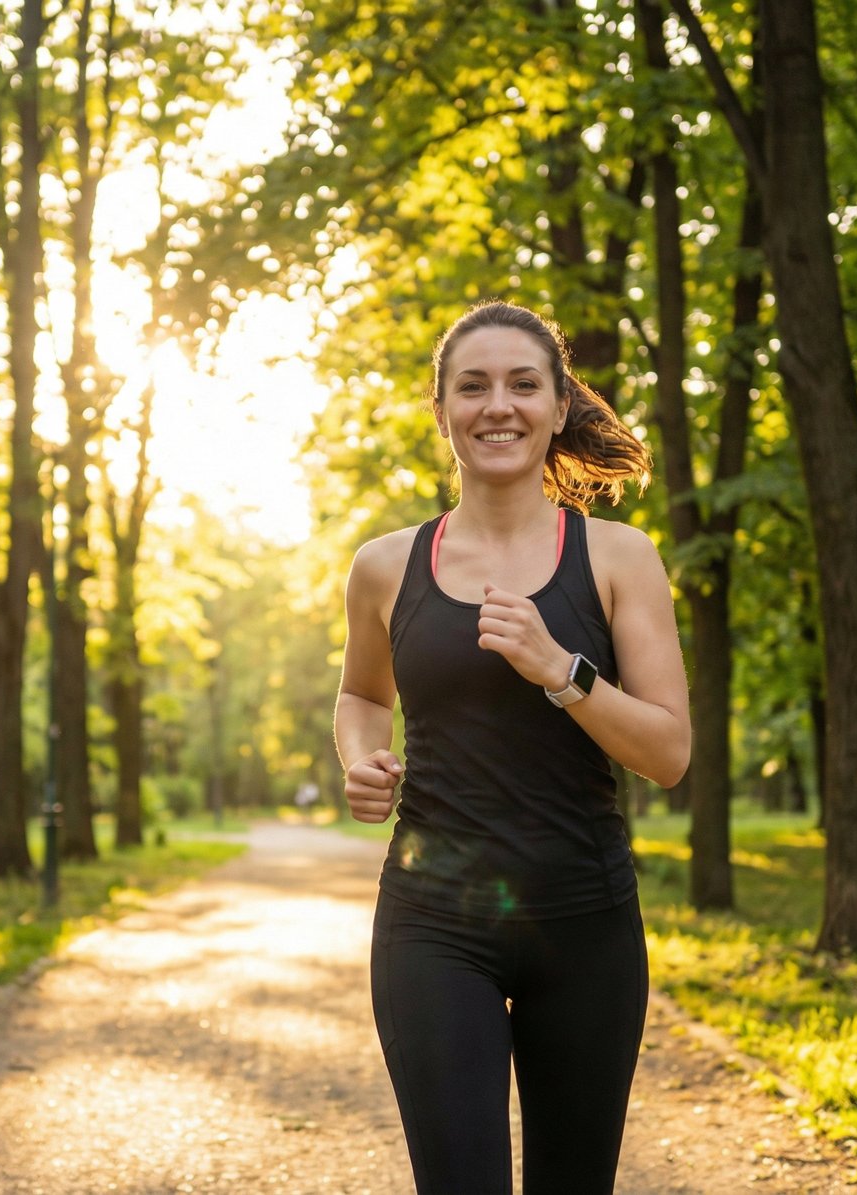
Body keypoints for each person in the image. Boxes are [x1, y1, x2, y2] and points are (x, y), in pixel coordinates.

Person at [335, 300, 691, 1194]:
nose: (500, 405)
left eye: (523, 384)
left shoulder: (619, 558)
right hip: (432, 922)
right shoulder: (386, 565)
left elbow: (669, 752)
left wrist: (560, 669)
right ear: (443, 407)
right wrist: (359, 756)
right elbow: (359, 695)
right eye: (474, 385)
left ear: (559, 404)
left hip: (584, 921)